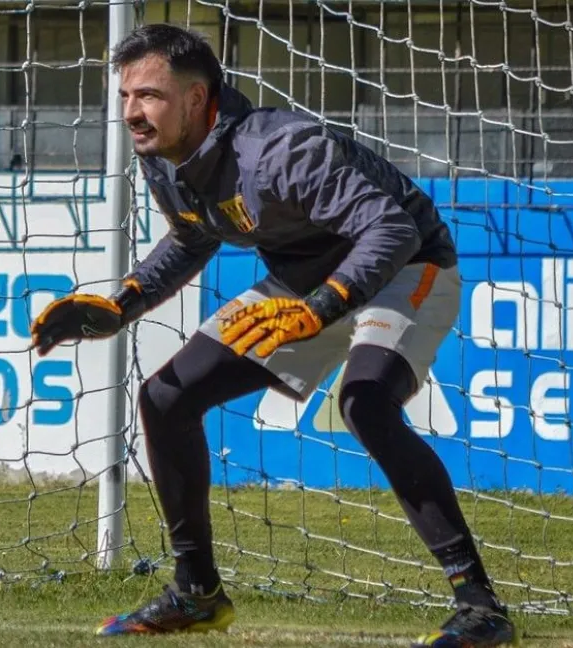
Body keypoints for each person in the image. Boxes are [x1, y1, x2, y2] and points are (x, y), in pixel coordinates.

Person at [29, 23, 515, 648]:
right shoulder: (164, 157)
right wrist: (125, 301)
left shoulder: (282, 149)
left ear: (198, 98)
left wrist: (321, 308)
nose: (131, 113)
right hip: (302, 283)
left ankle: (480, 606)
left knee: (364, 402)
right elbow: (191, 236)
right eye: (125, 97)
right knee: (166, 397)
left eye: (147, 95)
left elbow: (390, 230)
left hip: (408, 266)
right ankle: (197, 591)